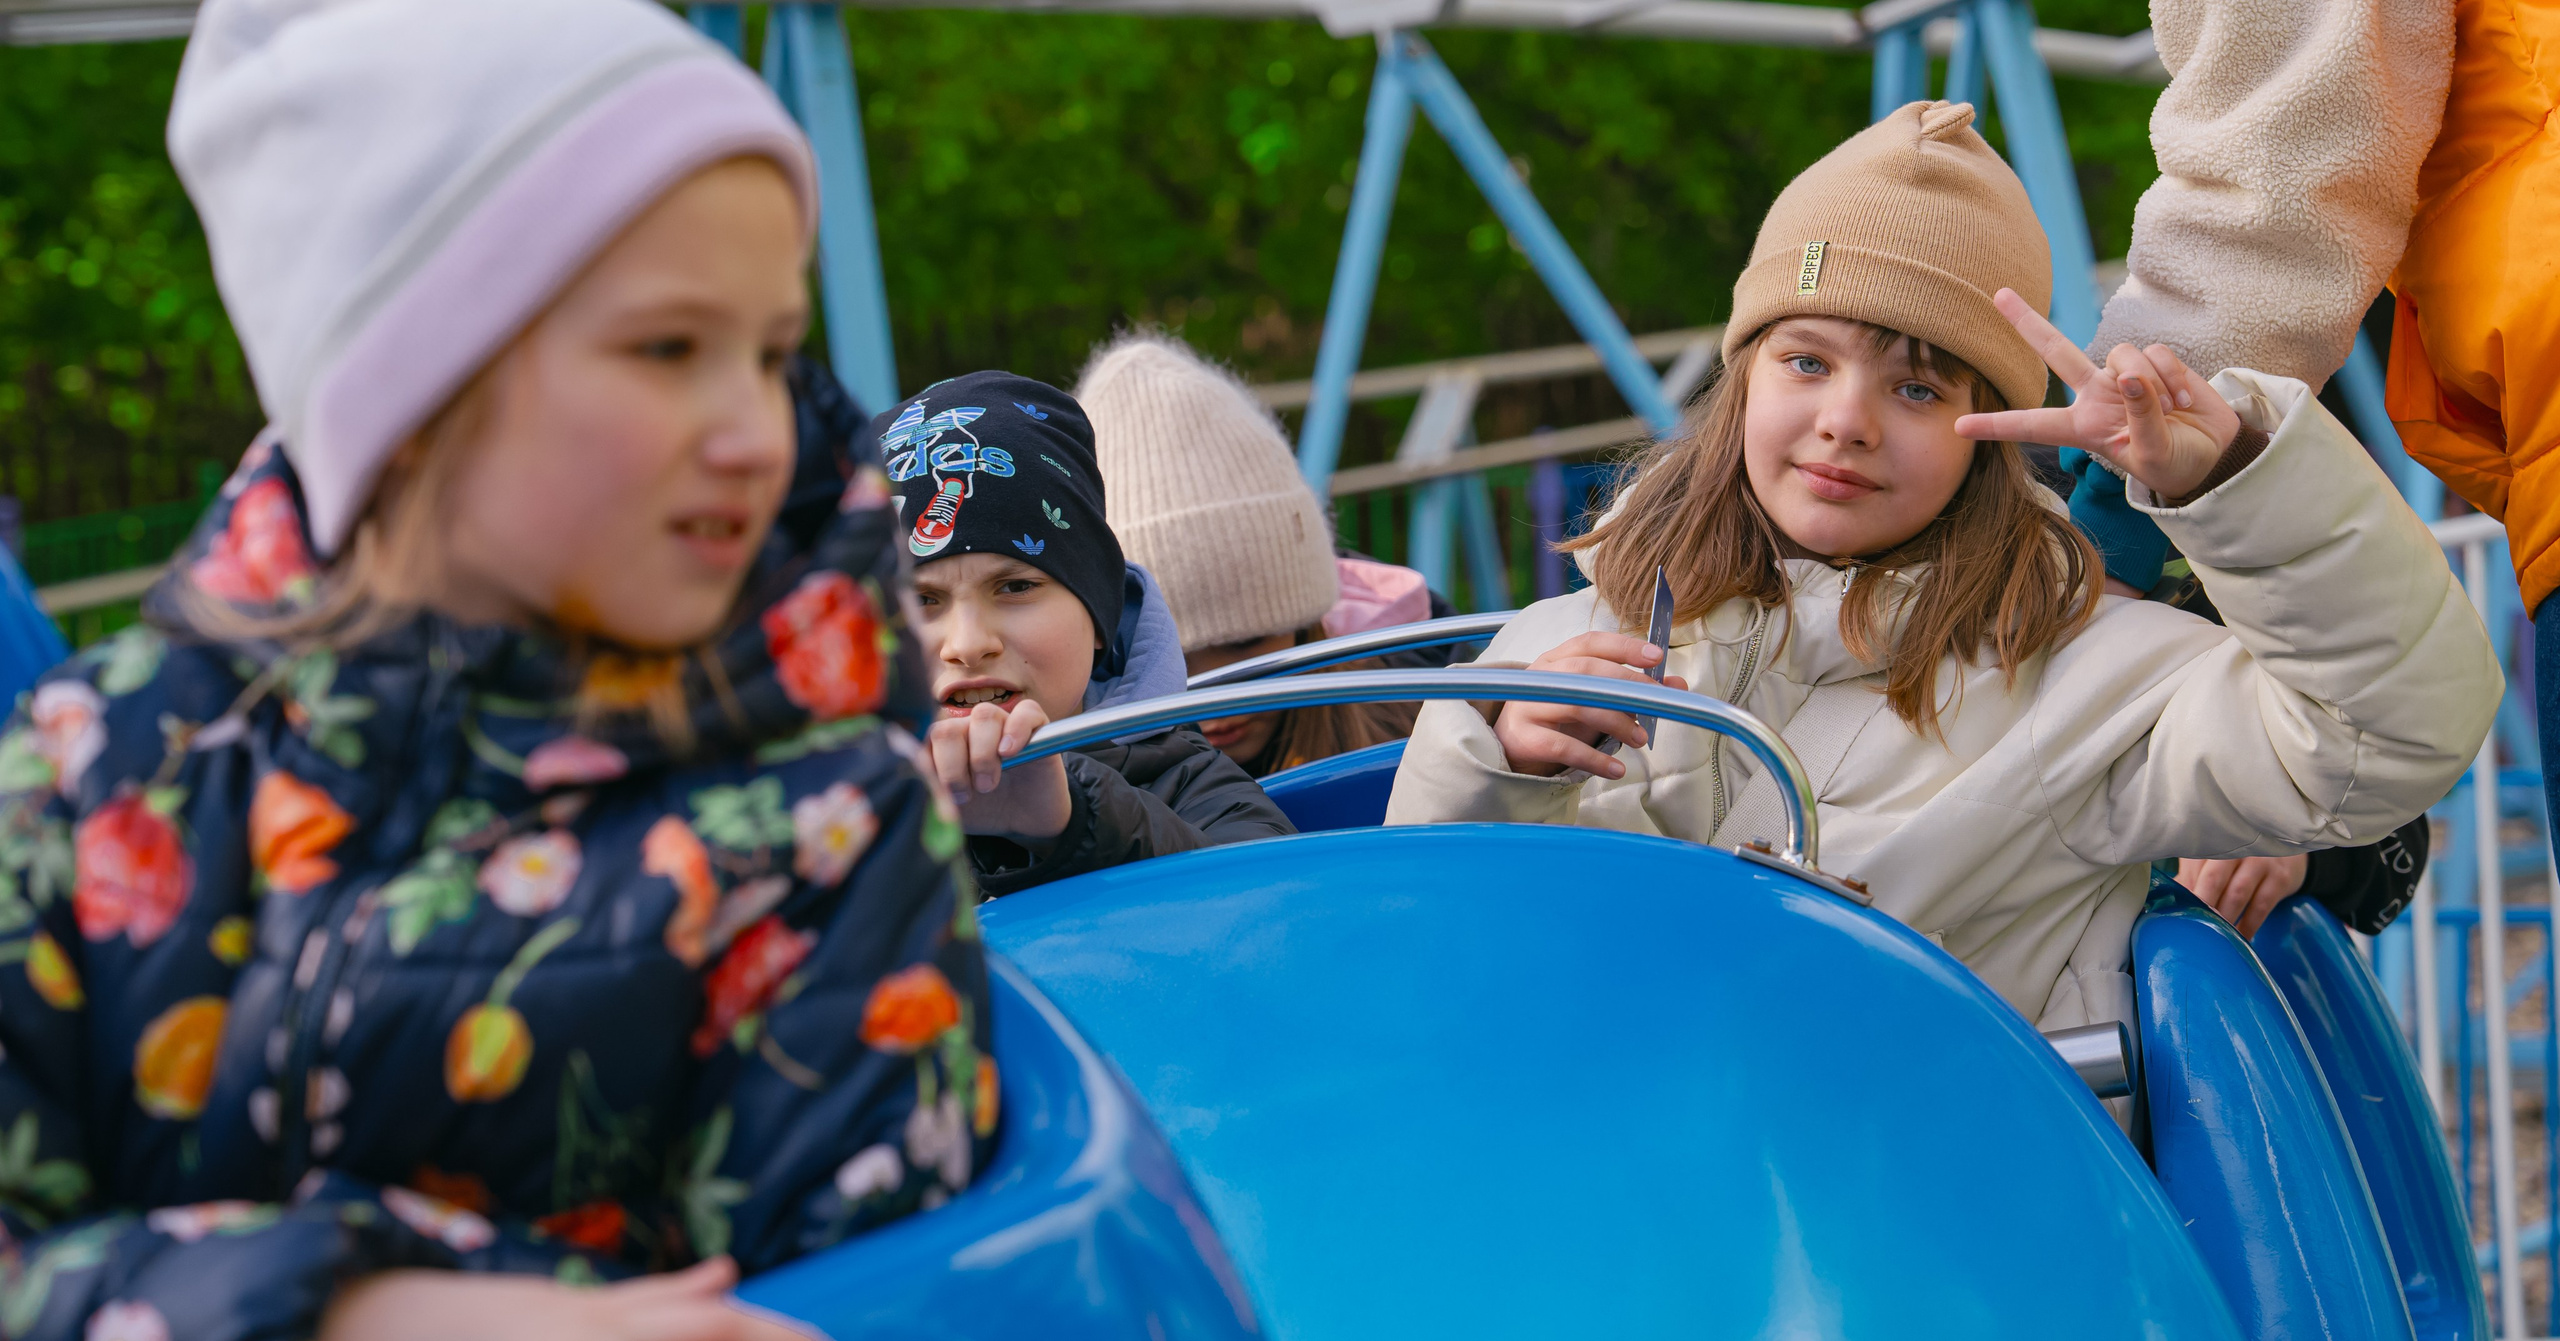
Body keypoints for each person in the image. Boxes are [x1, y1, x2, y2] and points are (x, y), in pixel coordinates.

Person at [0, 3, 996, 1338]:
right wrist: (352, 1314)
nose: (758, 431)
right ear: (410, 387)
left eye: (769, 355)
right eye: (668, 349)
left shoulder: (824, 827)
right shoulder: (92, 769)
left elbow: (853, 1302)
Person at [1385, 102, 2500, 1033]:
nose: (1845, 422)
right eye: (1805, 361)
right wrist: (1492, 767)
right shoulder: (1550, 655)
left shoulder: (2085, 678)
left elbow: (2389, 733)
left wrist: (2236, 483)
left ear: (1994, 429)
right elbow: (1425, 963)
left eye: (1917, 388)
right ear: (1741, 380)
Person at [888, 370, 1295, 895]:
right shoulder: (817, 806)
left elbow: (1282, 903)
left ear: (1099, 611)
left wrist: (1071, 818)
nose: (967, 644)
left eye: (1014, 587)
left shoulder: (1182, 775)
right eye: (921, 600)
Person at [1073, 331, 1456, 776]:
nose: (1217, 706)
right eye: (1162, 655)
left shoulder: (1428, 710)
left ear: (1306, 619)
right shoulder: (1062, 792)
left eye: (1246, 643)